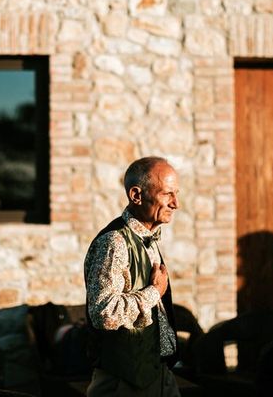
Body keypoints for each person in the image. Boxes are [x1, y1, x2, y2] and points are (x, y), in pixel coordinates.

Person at [84, 156, 181, 396]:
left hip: (158, 374)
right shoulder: (114, 242)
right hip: (125, 382)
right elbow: (104, 313)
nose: (175, 203)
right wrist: (153, 293)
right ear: (136, 195)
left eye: (176, 193)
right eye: (167, 194)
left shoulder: (148, 237)